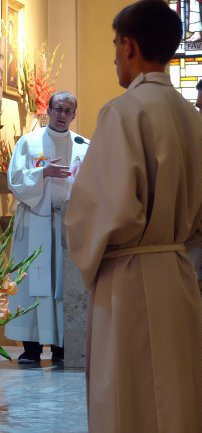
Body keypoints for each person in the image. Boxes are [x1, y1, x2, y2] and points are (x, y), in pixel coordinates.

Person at [64, 2, 202, 432]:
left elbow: (102, 210)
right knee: (177, 400)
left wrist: (81, 234)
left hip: (128, 279)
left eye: (114, 44)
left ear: (129, 45)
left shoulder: (122, 112)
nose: (113, 56)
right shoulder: (193, 118)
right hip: (179, 277)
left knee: (129, 402)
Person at [4, 91, 89, 364]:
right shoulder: (29, 143)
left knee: (63, 285)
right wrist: (43, 173)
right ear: (49, 111)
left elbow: (93, 184)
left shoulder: (84, 146)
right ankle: (30, 349)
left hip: (68, 224)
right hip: (35, 221)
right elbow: (15, 179)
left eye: (68, 110)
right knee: (31, 283)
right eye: (58, 109)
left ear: (74, 115)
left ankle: (62, 348)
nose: (62, 115)